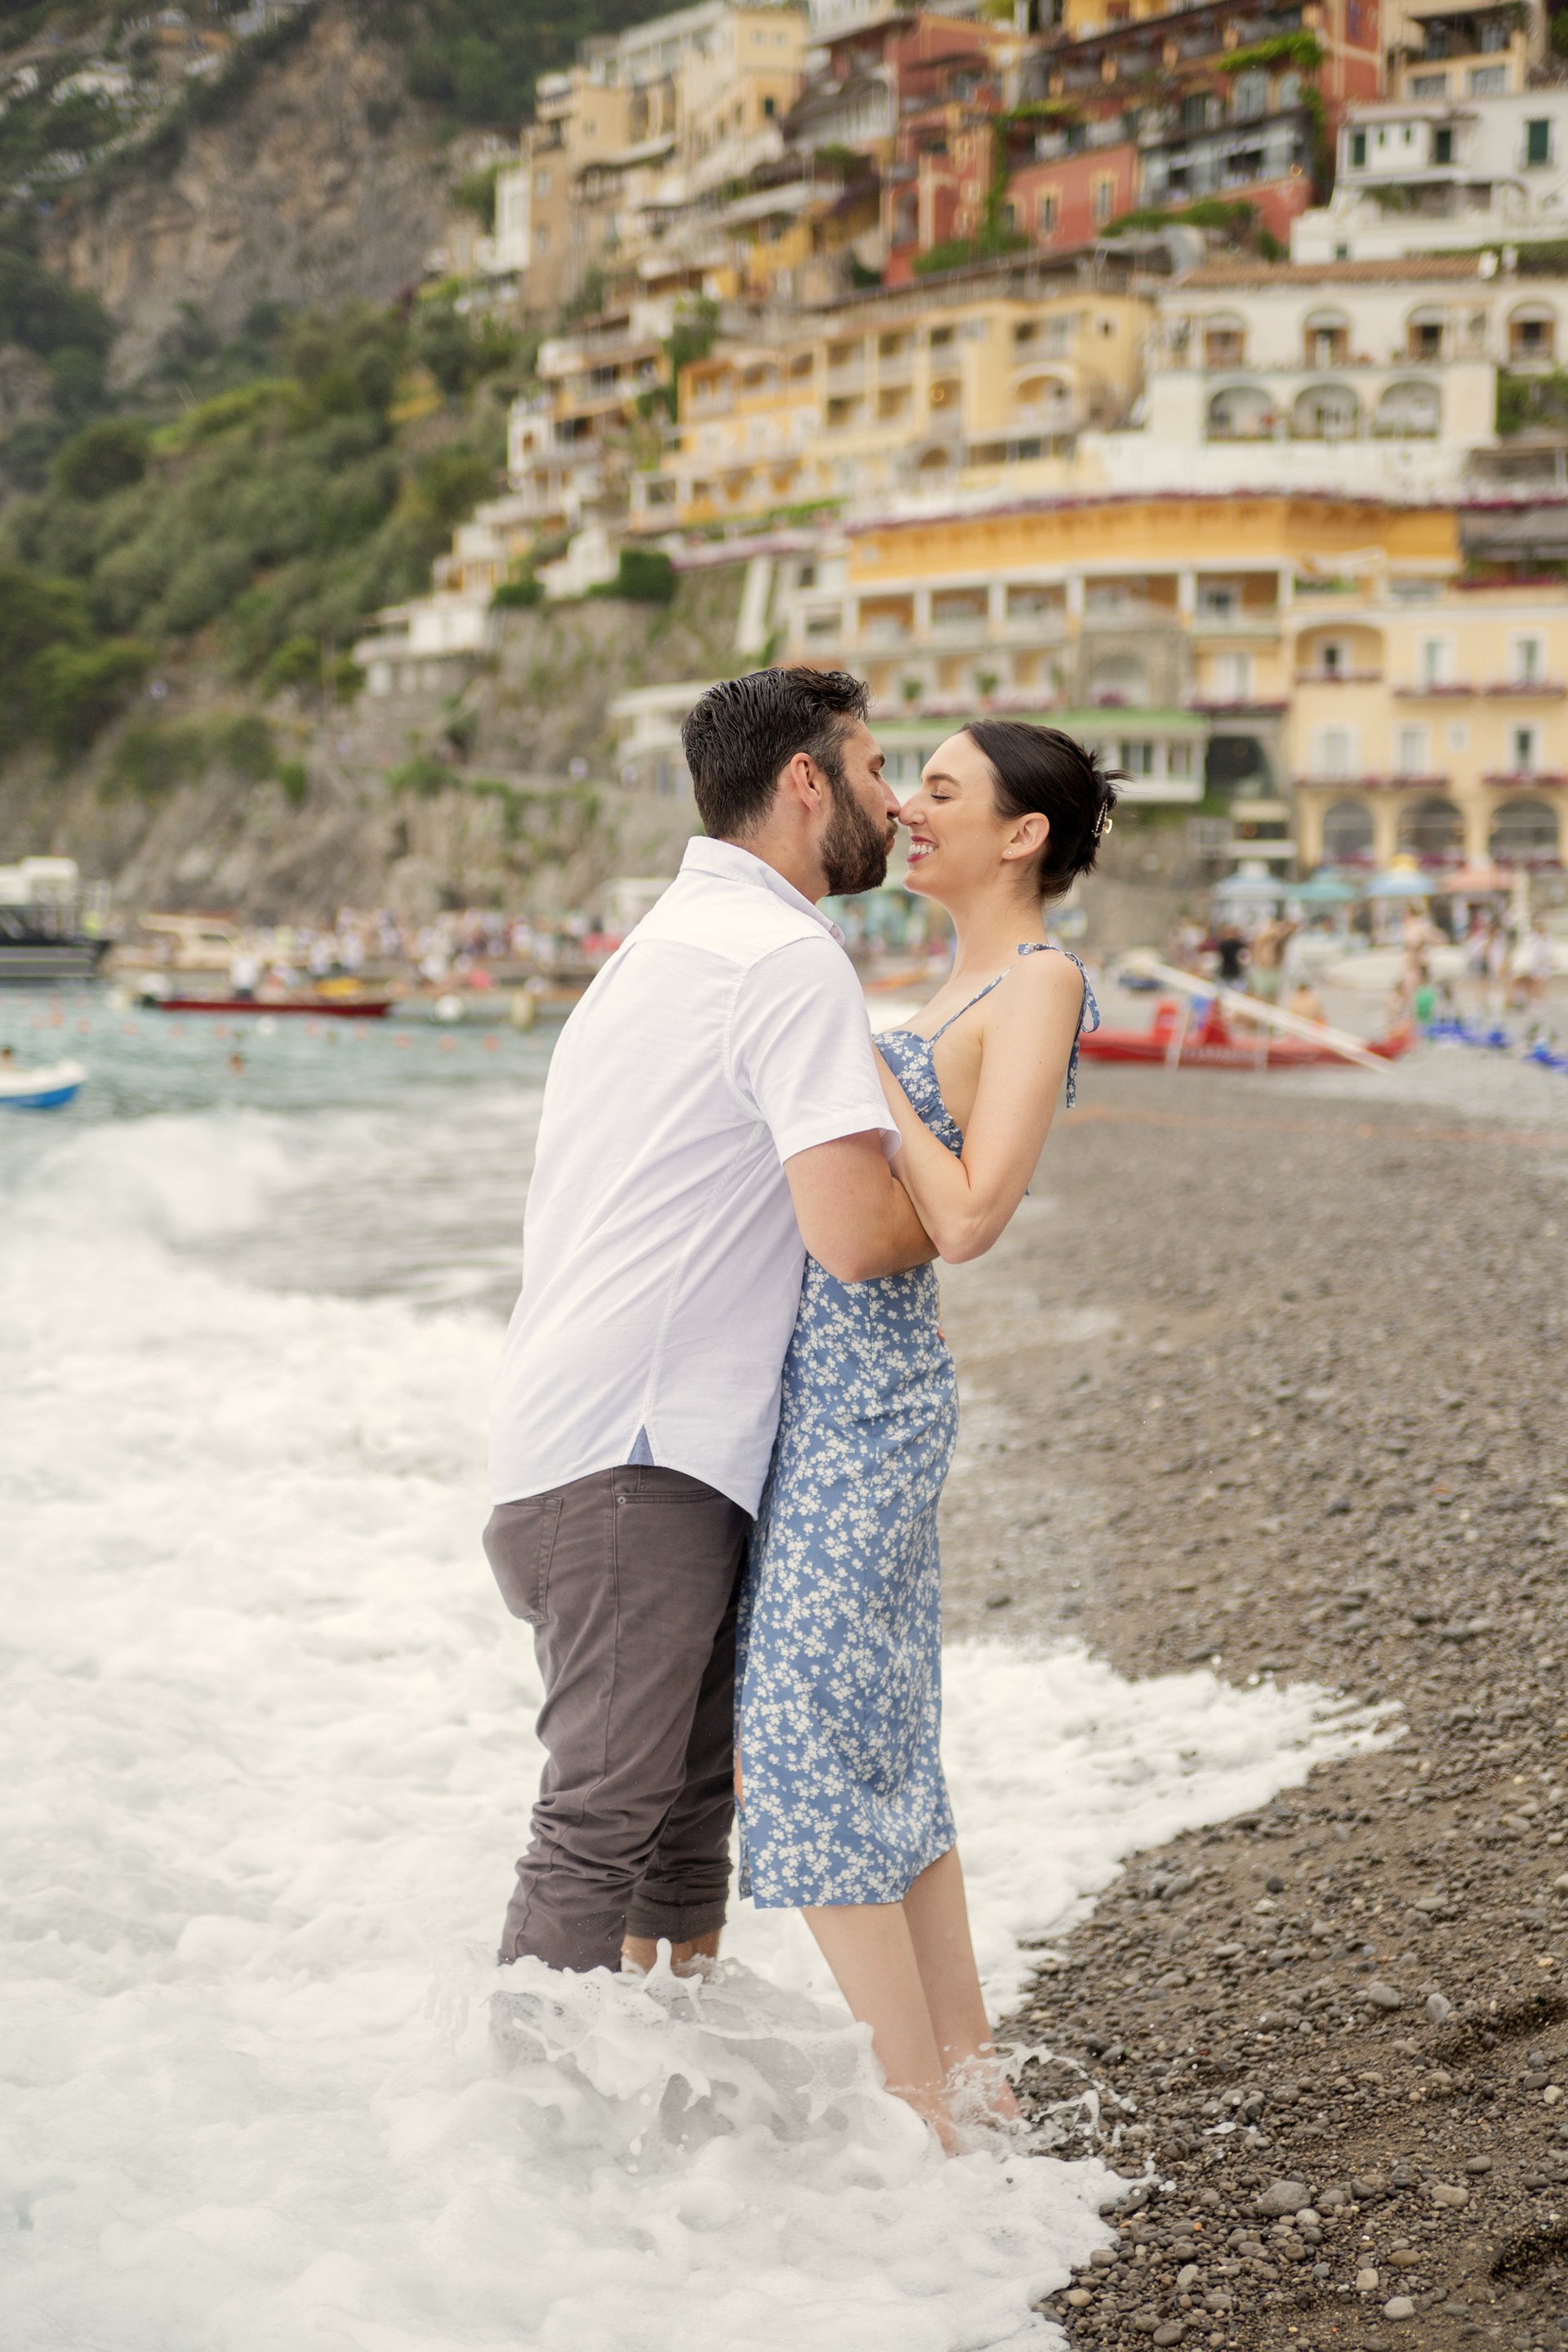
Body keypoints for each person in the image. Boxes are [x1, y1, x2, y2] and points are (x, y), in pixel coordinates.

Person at [484, 670, 927, 1990]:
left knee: (678, 1828)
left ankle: (654, 2130)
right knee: (602, 1829)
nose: (894, 804)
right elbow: (856, 1234)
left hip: (587, 1453)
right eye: (875, 767)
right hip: (637, 1461)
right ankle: (522, 2160)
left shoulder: (658, 952)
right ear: (807, 780)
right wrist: (971, 1200)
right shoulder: (784, 958)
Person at [737, 719, 1113, 2148]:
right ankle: (976, 2095)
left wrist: (859, 1061)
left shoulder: (1040, 979)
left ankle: (916, 2116)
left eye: (942, 792)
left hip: (871, 1399)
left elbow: (965, 1221)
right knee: (885, 1740)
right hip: (823, 1393)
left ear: (1024, 834)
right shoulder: (954, 982)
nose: (908, 811)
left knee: (800, 1745)